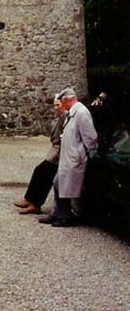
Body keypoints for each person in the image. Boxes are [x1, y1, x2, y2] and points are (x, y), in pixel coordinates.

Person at [39, 86, 98, 227]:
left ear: (68, 100)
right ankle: (59, 213)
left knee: (63, 186)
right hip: (68, 157)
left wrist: (85, 153)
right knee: (58, 183)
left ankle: (65, 216)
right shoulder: (72, 112)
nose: (62, 105)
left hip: (74, 157)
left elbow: (90, 137)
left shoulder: (82, 113)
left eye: (63, 102)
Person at [14, 95, 67, 214]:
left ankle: (35, 204)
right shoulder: (62, 116)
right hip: (56, 152)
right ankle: (30, 200)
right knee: (40, 171)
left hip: (58, 154)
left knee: (44, 173)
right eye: (54, 105)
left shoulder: (65, 116)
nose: (55, 108)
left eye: (57, 105)